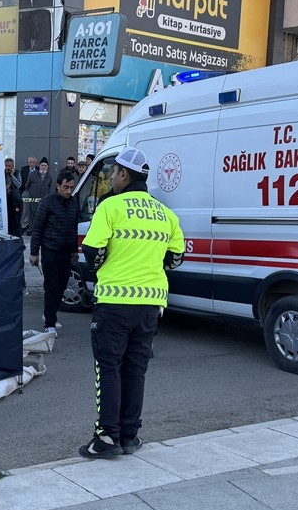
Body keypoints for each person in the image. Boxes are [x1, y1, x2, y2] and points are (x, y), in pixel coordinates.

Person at [79, 147, 184, 459]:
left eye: (114, 172)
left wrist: (110, 265)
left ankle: (106, 438)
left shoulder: (110, 208)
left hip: (114, 303)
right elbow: (175, 259)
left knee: (108, 369)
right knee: (135, 370)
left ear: (124, 174)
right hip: (150, 306)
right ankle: (129, 435)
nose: (111, 177)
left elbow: (92, 254)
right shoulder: (165, 213)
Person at [30, 170, 79, 334]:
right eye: (66, 187)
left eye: (71, 187)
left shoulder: (73, 202)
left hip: (66, 251)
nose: (69, 191)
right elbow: (37, 228)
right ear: (58, 186)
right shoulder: (47, 202)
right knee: (51, 287)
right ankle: (49, 324)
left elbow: (74, 227)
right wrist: (34, 252)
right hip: (50, 249)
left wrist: (74, 250)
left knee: (62, 285)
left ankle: (49, 314)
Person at [5, 168, 24, 237]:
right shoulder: (3, 173)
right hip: (6, 198)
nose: (7, 168)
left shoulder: (17, 173)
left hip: (15, 199)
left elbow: (19, 185)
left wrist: (12, 176)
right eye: (6, 166)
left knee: (16, 217)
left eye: (9, 166)